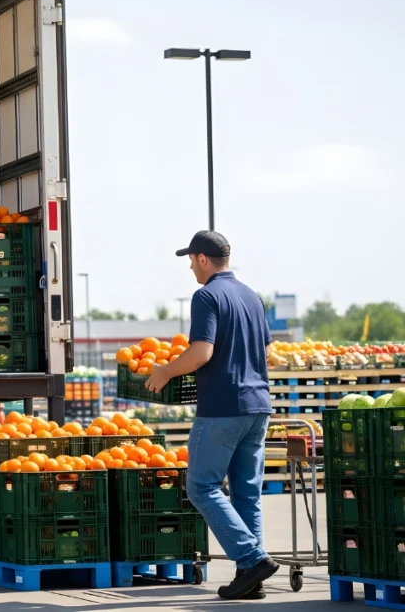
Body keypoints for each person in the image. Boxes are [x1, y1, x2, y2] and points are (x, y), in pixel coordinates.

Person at [145, 231, 278, 600]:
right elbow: (270, 354)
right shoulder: (252, 296)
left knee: (201, 486)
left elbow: (201, 352)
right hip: (258, 406)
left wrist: (165, 371)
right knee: (246, 493)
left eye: (190, 259)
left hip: (223, 407)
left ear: (203, 259)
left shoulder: (206, 296)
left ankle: (252, 559)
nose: (189, 266)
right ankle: (250, 579)